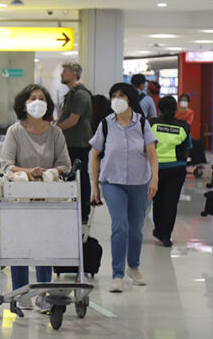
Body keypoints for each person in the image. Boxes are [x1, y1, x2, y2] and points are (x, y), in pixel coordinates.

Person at [0, 84, 71, 312]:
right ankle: (21, 293)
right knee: (20, 244)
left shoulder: (55, 132)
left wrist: (50, 172)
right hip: (21, 196)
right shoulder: (15, 132)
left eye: (41, 98)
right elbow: (6, 165)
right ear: (24, 104)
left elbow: (65, 164)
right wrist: (30, 172)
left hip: (48, 196)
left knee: (44, 246)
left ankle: (42, 293)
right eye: (33, 98)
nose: (37, 102)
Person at [89, 82, 158, 293]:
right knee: (120, 226)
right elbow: (94, 156)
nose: (117, 99)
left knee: (136, 230)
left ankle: (134, 267)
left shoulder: (142, 123)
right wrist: (95, 187)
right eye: (114, 96)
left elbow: (152, 155)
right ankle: (117, 274)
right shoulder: (106, 124)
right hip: (112, 182)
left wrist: (155, 179)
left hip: (140, 182)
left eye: (122, 96)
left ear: (130, 99)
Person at [150, 96, 192, 247]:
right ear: (175, 109)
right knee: (171, 202)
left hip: (156, 168)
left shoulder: (152, 124)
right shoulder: (184, 127)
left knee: (158, 200)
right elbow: (188, 147)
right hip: (177, 169)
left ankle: (159, 231)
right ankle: (167, 236)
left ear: (159, 109)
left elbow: (146, 145)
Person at [56, 62, 93, 223]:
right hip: (70, 142)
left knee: (81, 176)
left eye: (65, 71)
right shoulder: (71, 94)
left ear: (74, 74)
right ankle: (72, 206)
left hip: (79, 143)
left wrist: (56, 129)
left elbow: (73, 119)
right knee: (70, 176)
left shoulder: (80, 95)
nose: (62, 74)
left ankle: (84, 211)